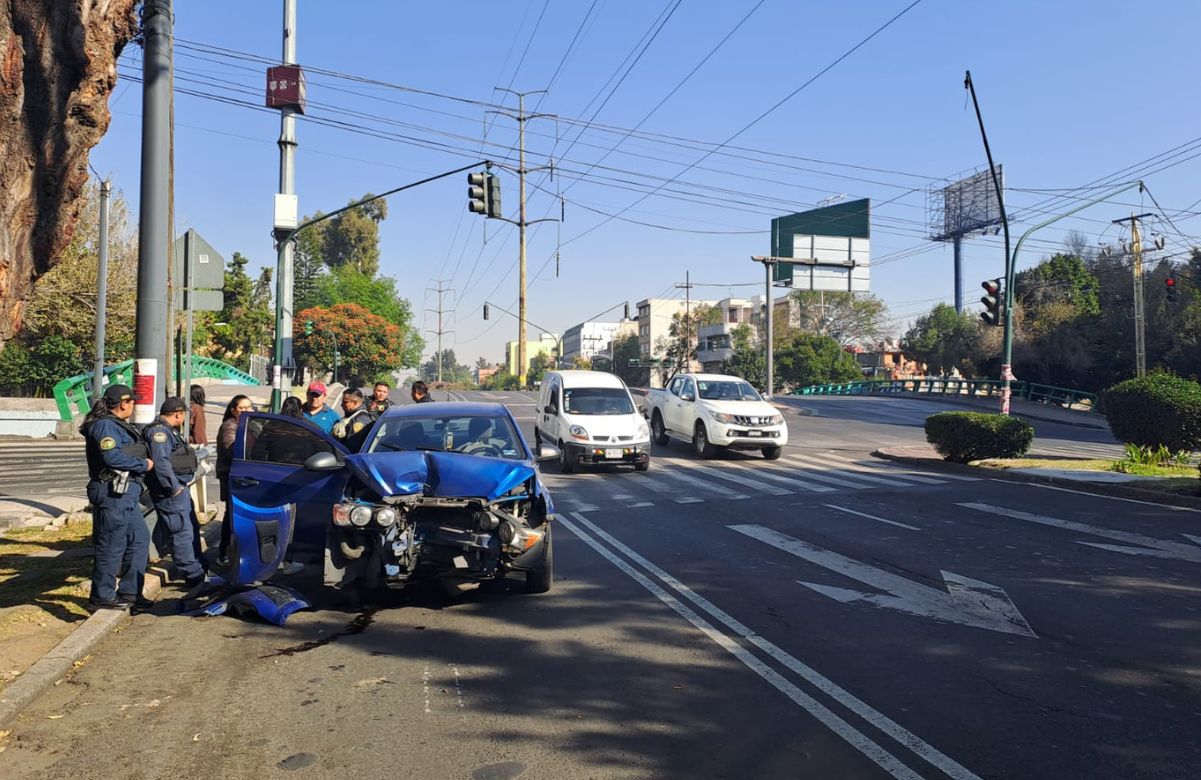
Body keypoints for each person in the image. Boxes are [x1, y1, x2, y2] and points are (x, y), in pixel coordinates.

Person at [81, 384, 154, 610]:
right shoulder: (104, 426)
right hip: (112, 492)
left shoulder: (118, 425)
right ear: (124, 403)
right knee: (111, 545)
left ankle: (131, 592)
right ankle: (102, 596)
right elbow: (111, 457)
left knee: (139, 540)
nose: (133, 405)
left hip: (127, 494)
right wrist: (143, 464)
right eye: (132, 401)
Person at [143, 397, 206, 588]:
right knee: (181, 533)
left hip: (179, 488)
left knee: (190, 528)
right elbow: (161, 464)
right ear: (178, 414)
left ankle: (198, 567)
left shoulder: (169, 431)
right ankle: (193, 574)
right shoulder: (159, 433)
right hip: (171, 492)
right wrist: (174, 488)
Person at [216, 394, 252, 565]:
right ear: (233, 410)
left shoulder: (247, 425)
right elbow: (231, 450)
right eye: (242, 408)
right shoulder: (229, 427)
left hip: (246, 475)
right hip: (232, 475)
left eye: (248, 407)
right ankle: (223, 552)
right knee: (231, 514)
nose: (246, 411)